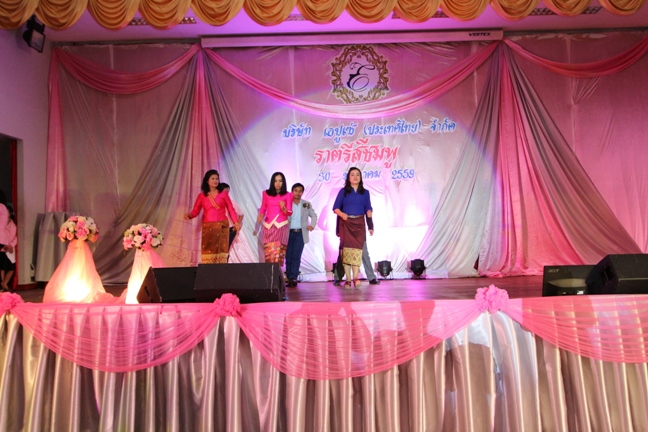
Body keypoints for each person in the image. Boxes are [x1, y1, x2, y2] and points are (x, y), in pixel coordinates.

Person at [185, 170, 240, 264]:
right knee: (208, 250)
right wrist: (190, 215)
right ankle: (209, 271)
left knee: (221, 251)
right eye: (213, 179)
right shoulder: (202, 196)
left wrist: (236, 222)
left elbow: (231, 209)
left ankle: (221, 271)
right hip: (208, 227)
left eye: (217, 179)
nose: (215, 181)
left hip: (222, 226)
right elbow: (196, 211)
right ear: (207, 180)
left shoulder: (223, 194)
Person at [333, 167, 373, 289]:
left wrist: (370, 223)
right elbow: (335, 208)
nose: (355, 177)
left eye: (357, 175)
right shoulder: (343, 191)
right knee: (345, 251)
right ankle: (347, 279)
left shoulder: (365, 192)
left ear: (360, 177)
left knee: (358, 251)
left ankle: (356, 278)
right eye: (352, 174)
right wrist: (342, 214)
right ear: (348, 177)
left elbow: (368, 208)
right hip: (346, 223)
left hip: (359, 223)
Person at [285, 183, 318, 287]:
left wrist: (312, 225)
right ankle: (289, 276)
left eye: (300, 191)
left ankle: (293, 277)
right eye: (296, 190)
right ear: (292, 191)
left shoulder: (306, 204)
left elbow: (314, 215)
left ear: (302, 192)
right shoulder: (287, 203)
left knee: (296, 256)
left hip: (300, 234)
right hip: (288, 233)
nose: (298, 193)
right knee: (288, 256)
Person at [257, 172, 292, 264]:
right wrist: (261, 215)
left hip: (281, 225)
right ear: (272, 182)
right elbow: (263, 207)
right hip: (268, 225)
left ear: (283, 182)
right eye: (275, 181)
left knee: (278, 252)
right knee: (269, 252)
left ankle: (277, 272)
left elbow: (289, 212)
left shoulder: (288, 195)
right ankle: (270, 272)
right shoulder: (266, 193)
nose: (278, 183)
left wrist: (283, 208)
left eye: (280, 181)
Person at [218, 183, 244, 252]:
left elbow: (241, 214)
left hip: (230, 229)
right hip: (219, 228)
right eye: (225, 192)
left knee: (225, 248)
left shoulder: (232, 203)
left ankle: (225, 259)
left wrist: (237, 224)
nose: (227, 194)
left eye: (228, 192)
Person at [0, 205, 16, 292]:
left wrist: (11, 245)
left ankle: (4, 283)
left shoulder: (13, 225)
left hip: (9, 248)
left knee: (11, 267)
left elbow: (15, 237)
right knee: (1, 267)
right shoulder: (2, 223)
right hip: (2, 247)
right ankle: (2, 285)